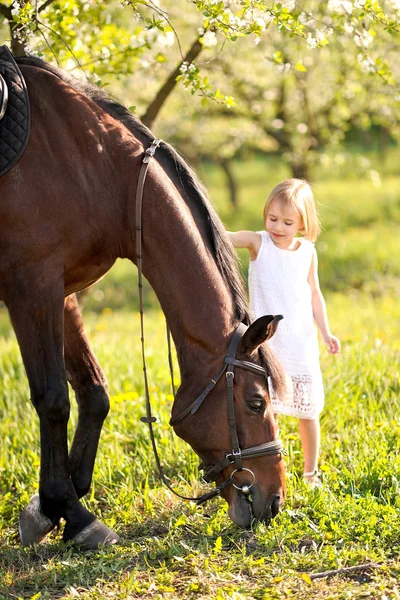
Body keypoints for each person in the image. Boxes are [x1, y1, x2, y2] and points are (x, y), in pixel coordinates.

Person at [227, 178, 340, 487]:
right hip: (267, 344)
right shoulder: (258, 243)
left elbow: (315, 294)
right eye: (272, 218)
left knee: (308, 411)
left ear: (303, 223)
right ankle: (268, 468)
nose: (277, 226)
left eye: (288, 222)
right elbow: (227, 237)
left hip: (300, 342)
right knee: (266, 409)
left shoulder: (307, 252)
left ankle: (310, 472)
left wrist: (326, 332)